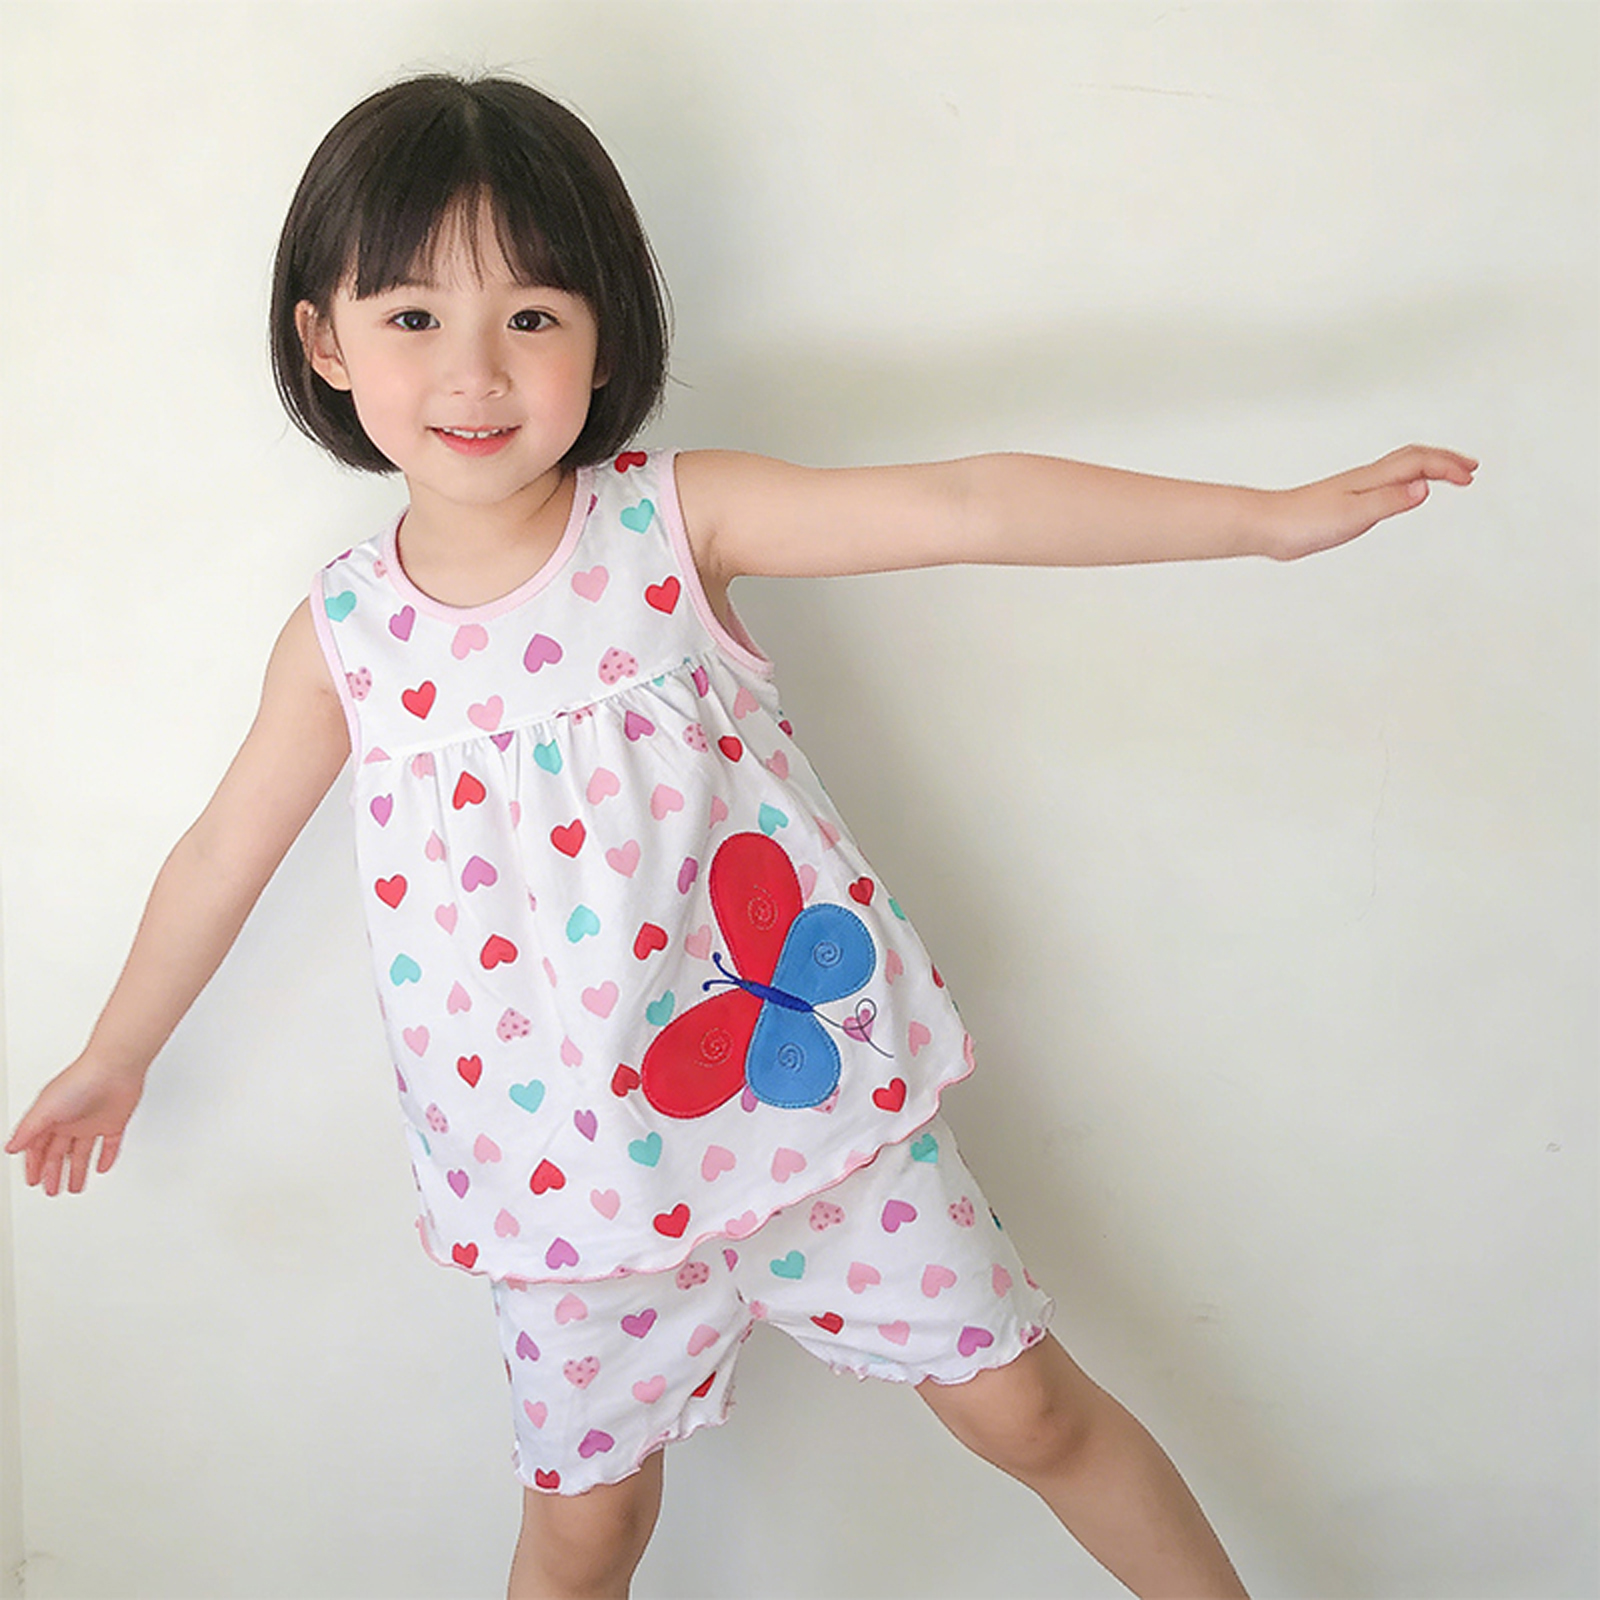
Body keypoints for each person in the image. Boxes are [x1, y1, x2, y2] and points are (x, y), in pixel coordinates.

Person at [5, 72, 1474, 1600]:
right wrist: (118, 1049)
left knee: (1028, 1411)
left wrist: (1266, 519)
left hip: (805, 1108)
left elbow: (964, 502)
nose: (475, 371)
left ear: (604, 337)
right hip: (569, 1185)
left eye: (531, 314)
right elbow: (218, 854)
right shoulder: (346, 638)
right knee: (587, 1533)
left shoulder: (670, 525)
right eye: (414, 316)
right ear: (325, 341)